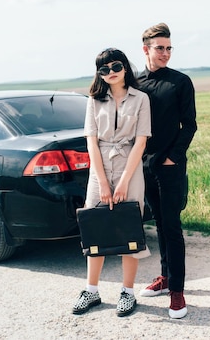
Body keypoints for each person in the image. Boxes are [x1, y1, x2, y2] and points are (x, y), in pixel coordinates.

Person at [72, 48, 152, 317]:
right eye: (103, 69)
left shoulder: (141, 99)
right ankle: (91, 291)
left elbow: (141, 141)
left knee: (129, 228)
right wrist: (103, 182)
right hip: (100, 169)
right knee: (96, 227)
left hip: (130, 166)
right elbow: (91, 142)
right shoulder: (93, 101)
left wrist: (123, 182)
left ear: (125, 66)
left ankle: (127, 292)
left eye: (115, 66)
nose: (111, 72)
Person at [137, 23, 197, 319]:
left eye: (169, 48)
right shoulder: (135, 83)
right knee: (158, 223)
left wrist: (173, 157)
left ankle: (177, 291)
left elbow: (190, 124)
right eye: (160, 47)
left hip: (170, 167)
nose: (166, 53)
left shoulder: (180, 82)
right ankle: (165, 277)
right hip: (143, 166)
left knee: (172, 227)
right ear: (145, 49)